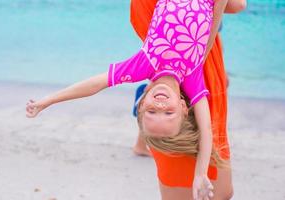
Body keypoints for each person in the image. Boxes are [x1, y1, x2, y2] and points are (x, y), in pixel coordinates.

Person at [26, 0, 229, 199]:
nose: (160, 105)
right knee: (239, 6)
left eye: (152, 111)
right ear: (184, 107)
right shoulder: (193, 78)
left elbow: (96, 84)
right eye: (168, 113)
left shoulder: (145, 63)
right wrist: (200, 174)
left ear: (141, 103)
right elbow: (206, 130)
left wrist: (49, 101)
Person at [130, 0, 246, 199]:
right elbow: (238, 6)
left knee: (207, 185)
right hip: (198, 71)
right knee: (216, 190)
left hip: (182, 65)